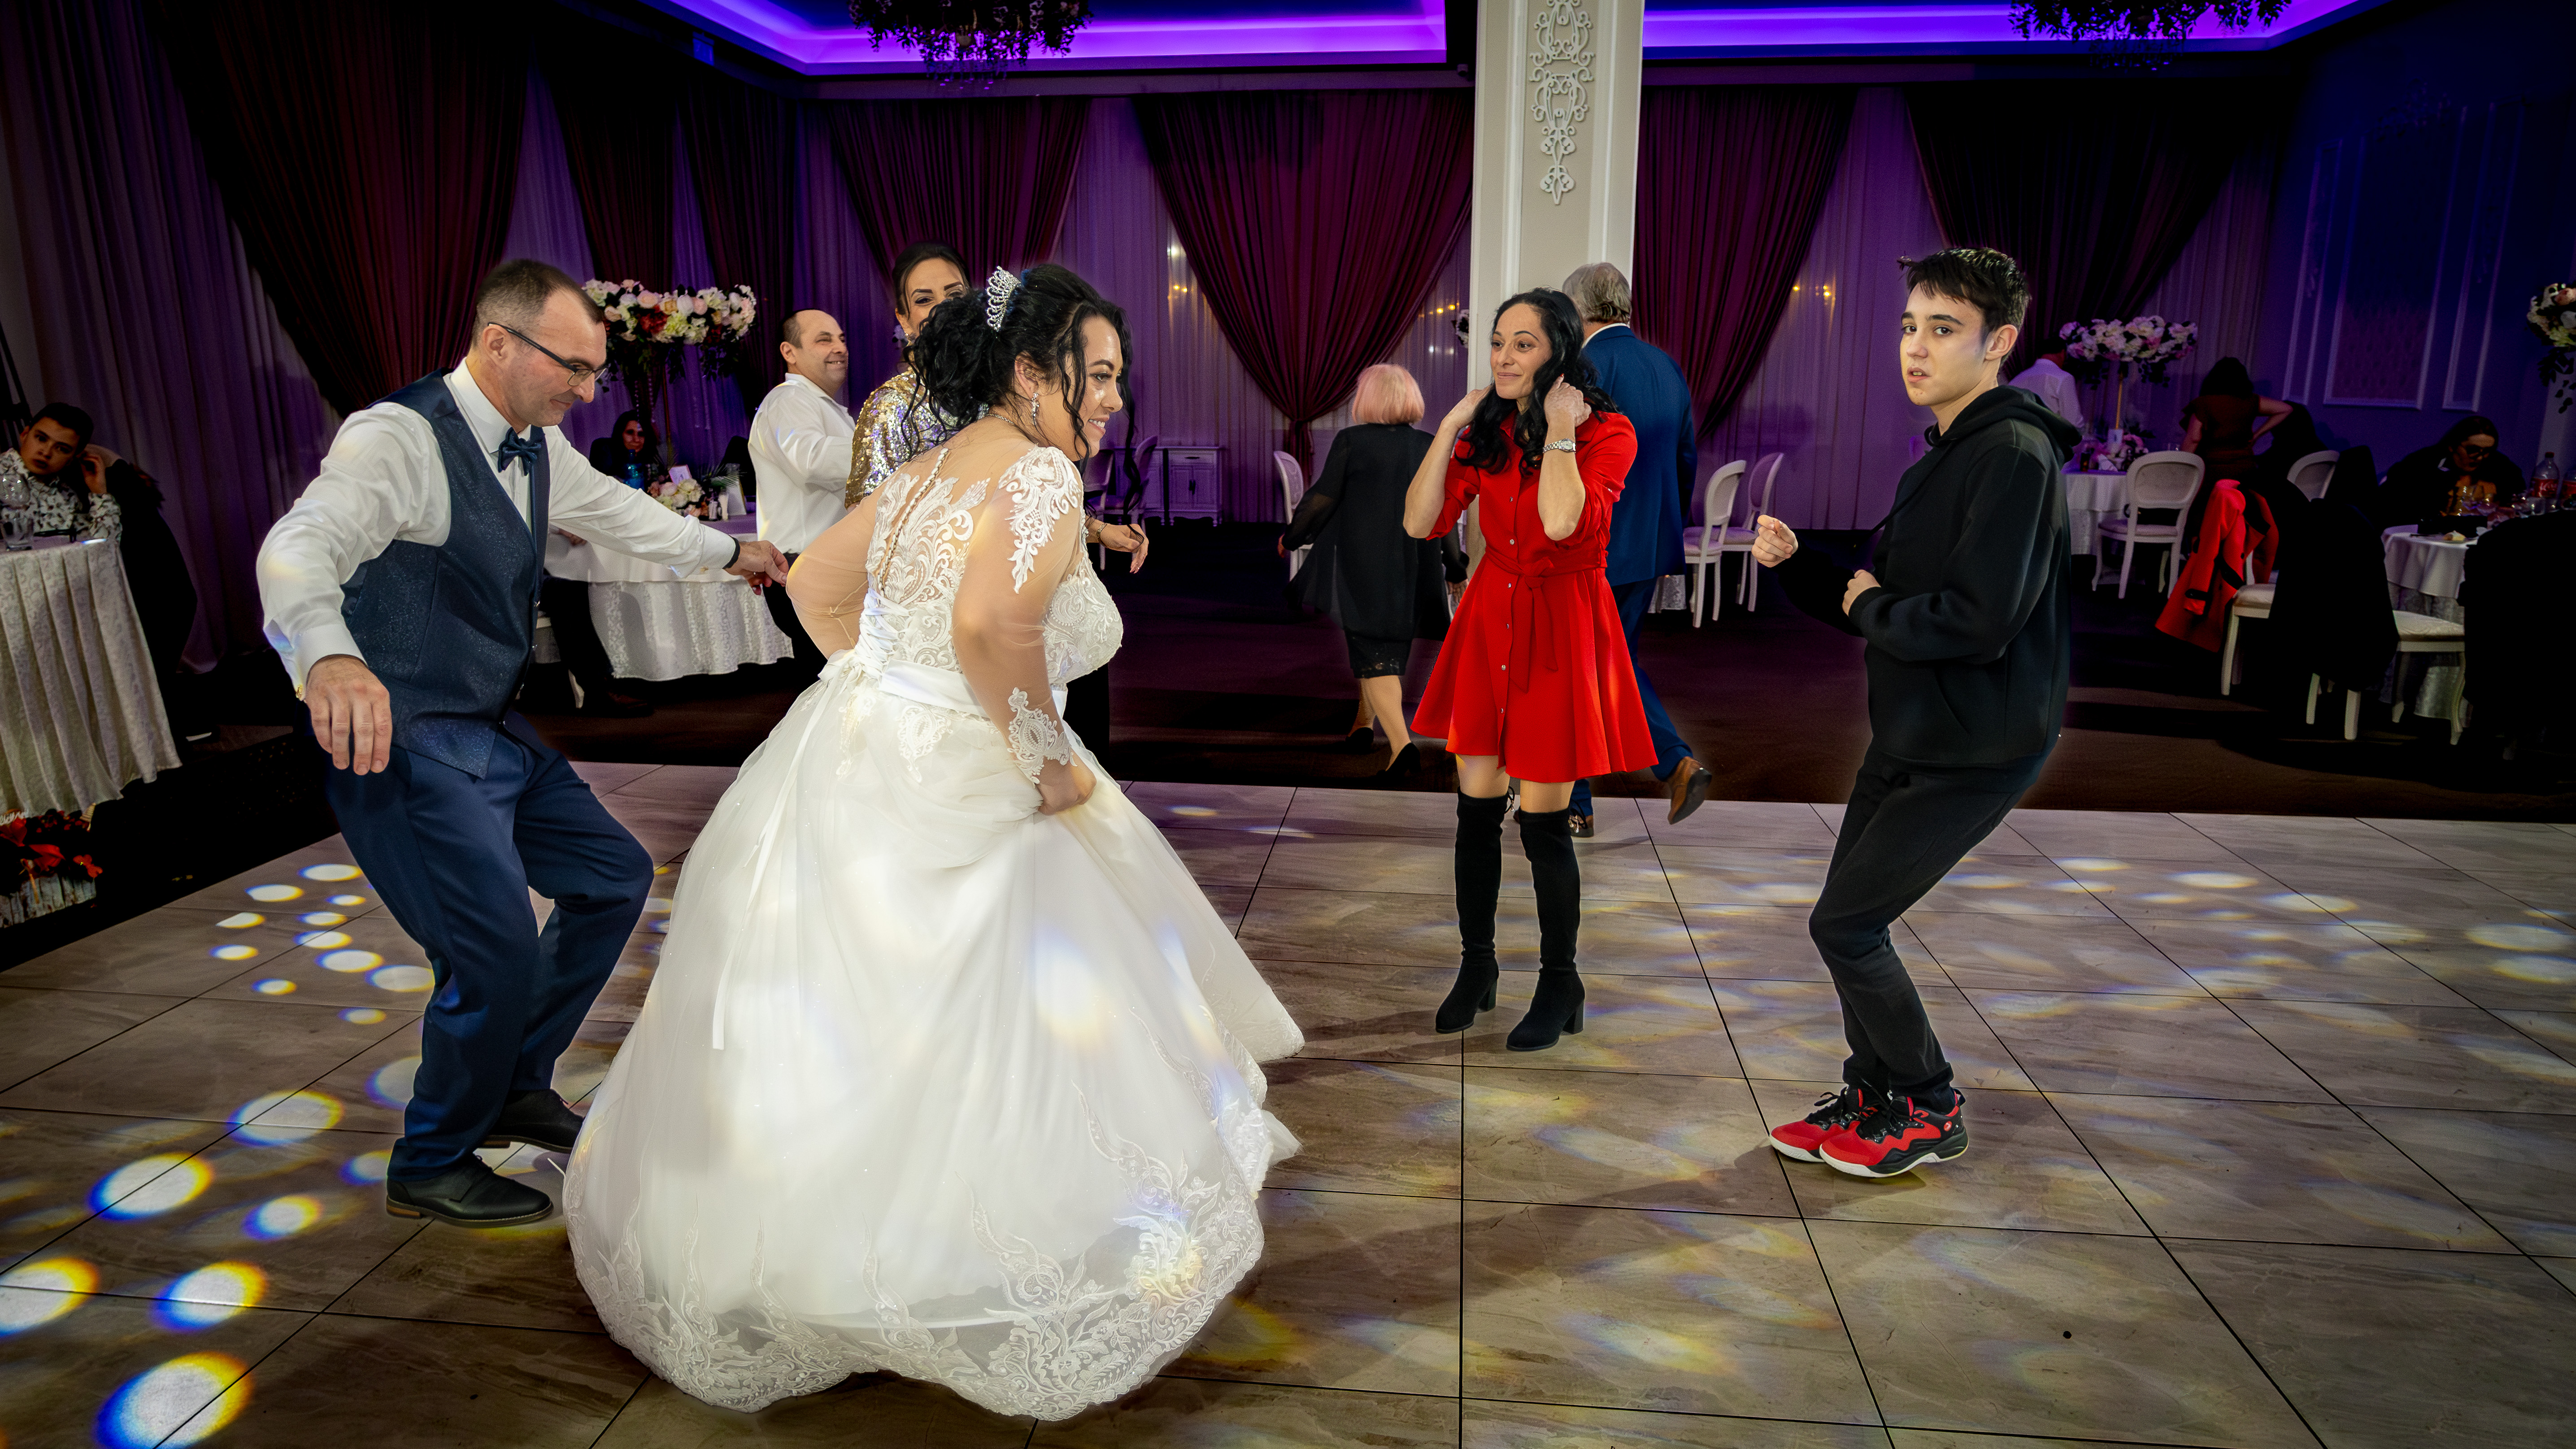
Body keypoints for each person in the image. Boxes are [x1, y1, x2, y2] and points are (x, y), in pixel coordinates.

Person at [562, 264, 1297, 1420]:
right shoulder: (1040, 472)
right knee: (1014, 1016)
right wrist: (1044, 762)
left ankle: (798, 1253)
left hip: (850, 748)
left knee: (830, 1008)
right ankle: (960, 1261)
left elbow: (815, 582)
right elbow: (991, 625)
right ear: (1030, 374)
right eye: (1100, 375)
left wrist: (882, 681)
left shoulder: (927, 467)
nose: (1114, 399)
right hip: (973, 769)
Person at [256, 258, 789, 1229]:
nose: (586, 391)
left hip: (487, 725)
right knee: (490, 948)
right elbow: (297, 547)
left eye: (594, 372)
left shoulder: (537, 444)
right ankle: (432, 1156)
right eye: (572, 368)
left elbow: (618, 515)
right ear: (497, 343)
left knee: (610, 875)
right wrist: (329, 656)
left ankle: (513, 1084)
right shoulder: (395, 438)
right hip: (400, 738)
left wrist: (730, 552)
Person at [1752, 248, 2076, 1178]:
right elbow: (1883, 592)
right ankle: (1874, 1093)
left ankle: (1927, 1102)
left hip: (1976, 743)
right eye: (1908, 326)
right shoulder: (1945, 452)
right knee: (1846, 922)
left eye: (1942, 329)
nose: (1915, 347)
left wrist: (1865, 604)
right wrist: (1803, 568)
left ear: (1998, 343)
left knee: (1846, 926)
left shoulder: (2011, 456)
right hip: (1914, 728)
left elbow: (1976, 622)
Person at [1406, 288, 1653, 1052]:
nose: (1504, 357)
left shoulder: (1608, 431)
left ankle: (1559, 981)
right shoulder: (1486, 432)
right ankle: (1476, 966)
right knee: (1475, 812)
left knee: (1544, 824)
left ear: (1560, 353)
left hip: (1561, 625)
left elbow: (1560, 521)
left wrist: (1560, 432)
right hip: (1490, 619)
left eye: (1523, 344)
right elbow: (1420, 521)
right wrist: (1448, 427)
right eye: (1497, 342)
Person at [1558, 262, 1709, 838]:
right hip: (1648, 543)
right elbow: (1685, 457)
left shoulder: (1581, 367)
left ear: (1578, 311)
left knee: (1588, 667)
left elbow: (1563, 457)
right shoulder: (1665, 366)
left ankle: (1665, 765)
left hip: (1592, 545)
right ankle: (1578, 801)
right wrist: (1667, 526)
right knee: (1606, 663)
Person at [1279, 363, 1459, 776]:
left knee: (1375, 655)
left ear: (1368, 399)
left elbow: (1323, 498)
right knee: (1382, 650)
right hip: (1415, 563)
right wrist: (1454, 566)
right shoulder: (1428, 445)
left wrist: (1292, 537)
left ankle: (1401, 746)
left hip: (1366, 563)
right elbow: (1443, 512)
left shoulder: (1352, 442)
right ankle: (1363, 722)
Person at [3, 405, 204, 735]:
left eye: (61, 448)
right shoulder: (3, 477)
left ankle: (144, 720)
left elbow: (104, 549)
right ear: (25, 434)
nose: (46, 452)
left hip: (71, 592)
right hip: (21, 595)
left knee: (164, 605)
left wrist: (99, 494)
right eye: (41, 439)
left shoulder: (69, 490)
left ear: (74, 455)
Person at [749, 308, 856, 680]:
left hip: (821, 564)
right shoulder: (789, 400)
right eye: (824, 340)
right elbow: (811, 460)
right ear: (789, 352)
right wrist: (887, 445)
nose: (839, 348)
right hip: (805, 564)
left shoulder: (818, 404)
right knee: (829, 683)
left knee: (836, 682)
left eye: (841, 339)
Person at [847, 241, 970, 508]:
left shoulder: (1006, 386)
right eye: (925, 300)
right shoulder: (891, 408)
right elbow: (866, 519)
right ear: (904, 320)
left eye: (955, 294)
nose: (944, 308)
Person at [2376, 415, 2525, 527]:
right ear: (2452, 446)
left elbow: (2518, 498)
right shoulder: (2422, 465)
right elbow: (2411, 513)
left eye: (2487, 451)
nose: (2480, 457)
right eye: (2473, 450)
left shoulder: (2499, 465)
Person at [2180, 357, 2289, 476]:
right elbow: (2285, 409)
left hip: (2212, 468)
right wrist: (2257, 435)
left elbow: (2194, 438)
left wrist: (2181, 467)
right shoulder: (2251, 401)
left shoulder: (2204, 403)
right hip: (2244, 469)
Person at [2010, 344, 2086, 433]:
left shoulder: (2017, 379)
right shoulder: (2063, 378)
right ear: (2063, 353)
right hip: (2047, 438)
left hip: (2017, 435)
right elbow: (2073, 422)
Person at [586, 409, 661, 482]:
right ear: (620, 434)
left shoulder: (647, 457)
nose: (636, 440)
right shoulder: (606, 451)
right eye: (630, 433)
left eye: (641, 434)